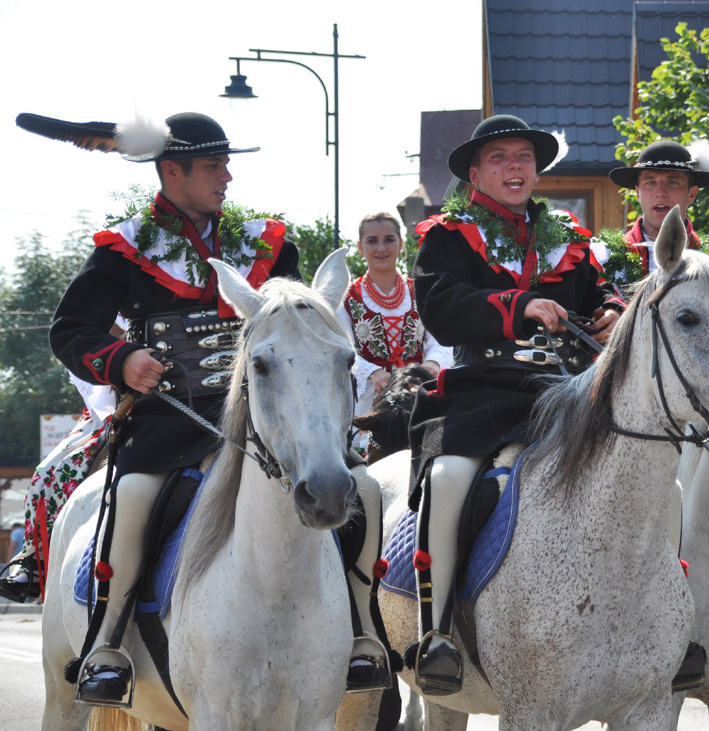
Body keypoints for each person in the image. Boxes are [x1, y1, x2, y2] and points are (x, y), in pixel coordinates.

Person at [48, 111, 389, 706]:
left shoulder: (267, 244)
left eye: (227, 164)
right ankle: (108, 643)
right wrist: (122, 359)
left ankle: (360, 630)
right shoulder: (124, 248)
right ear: (171, 170)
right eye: (214, 165)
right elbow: (70, 330)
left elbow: (297, 329)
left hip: (271, 415)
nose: (227, 177)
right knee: (132, 495)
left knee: (357, 488)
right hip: (172, 418)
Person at [405, 114, 626, 695]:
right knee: (450, 476)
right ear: (475, 172)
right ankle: (438, 633)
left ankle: (664, 620)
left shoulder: (571, 237)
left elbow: (602, 292)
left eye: (524, 156)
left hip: (569, 393)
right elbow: (441, 304)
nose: (515, 167)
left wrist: (613, 314)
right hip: (482, 391)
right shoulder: (446, 235)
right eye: (499, 157)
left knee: (653, 476)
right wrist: (517, 303)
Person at [0, 370, 117, 604]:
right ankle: (36, 563)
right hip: (106, 414)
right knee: (50, 473)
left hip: (179, 404)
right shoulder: (103, 333)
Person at [340, 211, 451, 415]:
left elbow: (441, 338)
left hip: (416, 396)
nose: (381, 248)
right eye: (372, 241)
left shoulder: (421, 291)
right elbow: (341, 347)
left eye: (389, 240)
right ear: (360, 247)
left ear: (401, 244)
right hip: (366, 405)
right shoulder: (347, 298)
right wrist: (372, 372)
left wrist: (430, 365)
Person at [602, 139, 709, 290]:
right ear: (637, 193)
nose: (660, 193)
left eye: (672, 182)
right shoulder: (606, 257)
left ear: (691, 194)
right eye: (650, 182)